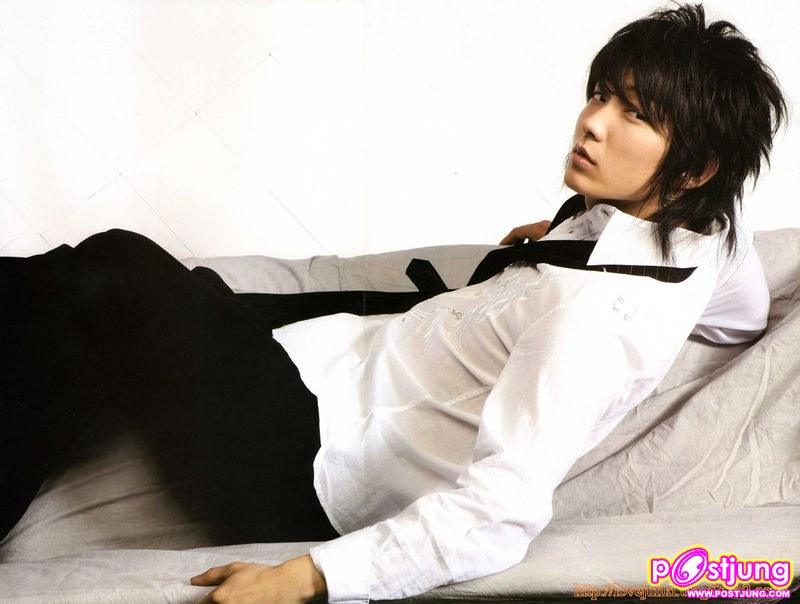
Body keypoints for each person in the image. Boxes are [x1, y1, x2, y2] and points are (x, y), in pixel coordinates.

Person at [0, 3, 787, 604]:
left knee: (107, 270)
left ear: (694, 169)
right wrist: (562, 243)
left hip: (304, 459)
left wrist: (308, 578)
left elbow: (498, 517)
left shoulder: (594, 325)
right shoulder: (709, 238)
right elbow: (743, 316)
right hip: (342, 362)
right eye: (603, 96)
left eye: (635, 116)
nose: (592, 123)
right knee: (66, 292)